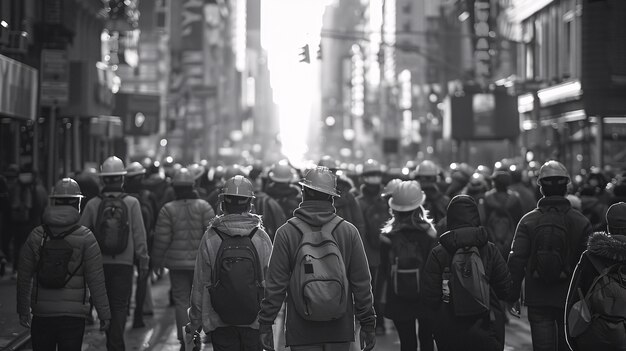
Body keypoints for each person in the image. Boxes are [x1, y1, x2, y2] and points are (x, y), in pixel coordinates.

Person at [258, 166, 376, 351]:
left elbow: (275, 284)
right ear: (332, 196)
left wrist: (266, 323)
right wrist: (368, 323)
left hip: (301, 329)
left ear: (303, 193)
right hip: (339, 328)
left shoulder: (287, 232)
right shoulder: (348, 231)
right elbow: (361, 282)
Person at [507, 160, 592, 351]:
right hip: (569, 297)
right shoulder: (580, 221)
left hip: (537, 296)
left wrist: (512, 295)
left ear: (541, 188)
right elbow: (587, 263)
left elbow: (517, 258)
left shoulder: (528, 221)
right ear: (566, 187)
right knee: (567, 345)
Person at [16, 178, 111, 350]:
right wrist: (104, 314)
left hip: (42, 314)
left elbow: (23, 276)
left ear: (53, 201)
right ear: (78, 203)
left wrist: (23, 310)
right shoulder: (86, 237)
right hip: (73, 316)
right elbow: (96, 280)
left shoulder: (36, 235)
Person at [188, 175, 272, 351]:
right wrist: (268, 321)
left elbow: (200, 283)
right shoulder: (261, 237)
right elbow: (270, 282)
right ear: (250, 204)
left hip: (219, 320)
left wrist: (195, 322)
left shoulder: (211, 236)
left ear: (222, 203)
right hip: (254, 321)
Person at [421, 195, 512, 351]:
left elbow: (430, 295)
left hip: (449, 327)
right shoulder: (489, 249)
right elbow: (505, 288)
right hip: (486, 324)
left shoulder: (439, 252)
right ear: (476, 217)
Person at [79, 156, 150, 351]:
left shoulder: (93, 204)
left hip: (98, 263)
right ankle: (115, 344)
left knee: (102, 303)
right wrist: (143, 260)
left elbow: (81, 234)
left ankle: (111, 336)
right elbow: (139, 234)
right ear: (122, 179)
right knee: (119, 305)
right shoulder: (132, 203)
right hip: (124, 264)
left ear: (103, 179)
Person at [152, 168, 216, 350]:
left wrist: (156, 262)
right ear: (193, 185)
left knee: (181, 301)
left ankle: (186, 341)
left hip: (177, 264)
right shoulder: (204, 207)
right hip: (201, 264)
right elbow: (213, 236)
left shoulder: (168, 209)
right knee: (201, 301)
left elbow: (161, 239)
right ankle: (199, 336)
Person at [379, 180, 436, 351]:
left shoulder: (387, 237)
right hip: (426, 296)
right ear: (419, 206)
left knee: (407, 342)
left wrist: (378, 300)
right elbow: (435, 268)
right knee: (426, 340)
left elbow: (383, 270)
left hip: (398, 297)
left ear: (394, 208)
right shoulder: (430, 234)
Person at [565, 202, 626, 351]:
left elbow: (574, 300)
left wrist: (573, 340)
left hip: (595, 337)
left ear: (608, 226)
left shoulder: (591, 256)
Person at [356, 159, 390, 336]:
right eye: (370, 174)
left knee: (379, 290)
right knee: (370, 289)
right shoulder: (359, 201)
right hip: (367, 252)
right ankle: (373, 322)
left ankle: (378, 321)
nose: (373, 178)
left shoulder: (387, 199)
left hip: (385, 252)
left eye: (375, 174)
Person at [124, 162, 158, 328]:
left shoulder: (122, 196)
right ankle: (138, 315)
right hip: (145, 243)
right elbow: (156, 221)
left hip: (124, 245)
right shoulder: (148, 196)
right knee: (142, 278)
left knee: (126, 279)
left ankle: (124, 313)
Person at [8, 164, 48, 276]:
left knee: (18, 245)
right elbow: (44, 206)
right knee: (33, 246)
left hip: (18, 222)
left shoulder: (15, 188)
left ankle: (16, 268)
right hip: (34, 223)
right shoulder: (40, 189)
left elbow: (9, 205)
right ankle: (32, 269)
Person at [483, 168, 524, 261]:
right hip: (511, 242)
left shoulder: (487, 199)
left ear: (495, 183)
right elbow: (520, 220)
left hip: (491, 241)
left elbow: (483, 220)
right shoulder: (515, 199)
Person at [413, 160, 450, 226]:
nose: (427, 181)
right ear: (436, 178)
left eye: (429, 178)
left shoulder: (411, 199)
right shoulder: (444, 200)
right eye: (425, 178)